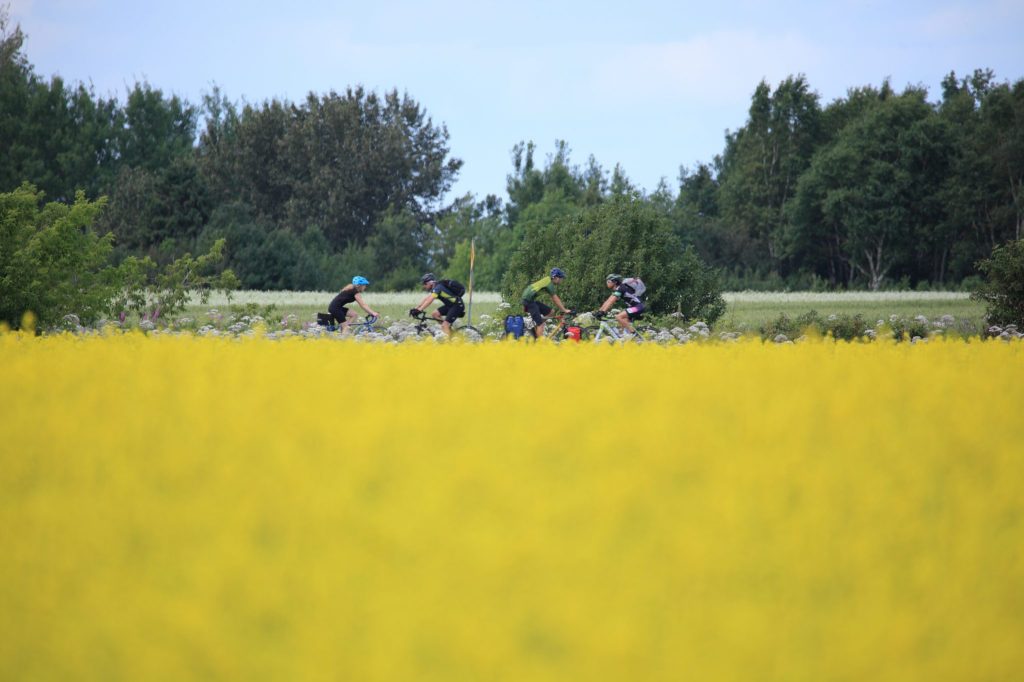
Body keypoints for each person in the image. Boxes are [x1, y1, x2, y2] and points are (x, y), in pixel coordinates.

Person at [520, 267, 572, 339]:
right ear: (556, 278)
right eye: (561, 278)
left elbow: (554, 298)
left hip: (530, 299)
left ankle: (537, 329)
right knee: (540, 324)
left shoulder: (548, 281)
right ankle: (539, 345)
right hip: (528, 300)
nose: (562, 280)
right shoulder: (549, 283)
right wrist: (564, 310)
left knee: (551, 312)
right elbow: (555, 299)